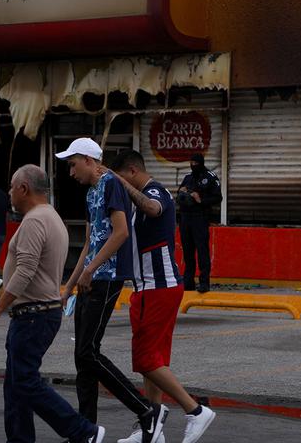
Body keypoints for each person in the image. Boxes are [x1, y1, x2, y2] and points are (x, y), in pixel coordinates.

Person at [0, 164, 105, 443]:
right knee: (15, 386)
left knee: (24, 381)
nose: (10, 194)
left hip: (33, 315)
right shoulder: (50, 216)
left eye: (12, 188)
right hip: (36, 313)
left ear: (23, 189)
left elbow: (25, 270)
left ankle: (83, 431)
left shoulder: (36, 220)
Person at [56, 138, 165, 443]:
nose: (70, 171)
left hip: (109, 275)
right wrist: (70, 284)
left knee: (88, 351)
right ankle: (86, 430)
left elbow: (120, 233)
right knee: (82, 357)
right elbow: (90, 244)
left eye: (73, 163)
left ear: (89, 161)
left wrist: (91, 271)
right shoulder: (91, 192)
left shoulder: (111, 185)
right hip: (91, 277)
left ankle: (146, 410)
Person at [110, 150, 216, 443]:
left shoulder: (154, 191)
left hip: (157, 286)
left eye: (119, 178)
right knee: (152, 360)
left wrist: (121, 184)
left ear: (131, 172)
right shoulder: (137, 197)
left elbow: (154, 209)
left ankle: (194, 410)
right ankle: (151, 427)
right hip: (150, 287)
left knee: (145, 359)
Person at [177, 153, 222, 293]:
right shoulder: (188, 177)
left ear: (201, 163)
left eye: (195, 163)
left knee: (202, 251)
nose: (193, 165)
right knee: (188, 251)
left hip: (200, 217)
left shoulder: (210, 177)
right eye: (191, 163)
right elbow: (179, 196)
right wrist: (182, 192)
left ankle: (204, 282)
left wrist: (200, 199)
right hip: (185, 218)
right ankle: (188, 282)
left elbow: (218, 197)